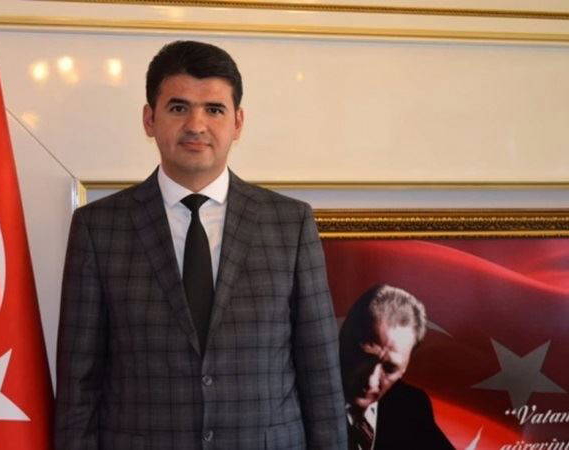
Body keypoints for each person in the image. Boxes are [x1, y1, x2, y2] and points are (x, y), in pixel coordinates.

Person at [54, 40, 346, 450]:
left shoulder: (290, 224)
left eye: (214, 109)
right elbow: (78, 387)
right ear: (149, 119)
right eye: (178, 108)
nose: (196, 124)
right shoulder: (98, 228)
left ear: (238, 122)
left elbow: (321, 375)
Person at [339, 284, 454, 450]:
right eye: (366, 357)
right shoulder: (304, 402)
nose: (371, 381)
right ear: (344, 338)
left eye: (390, 368)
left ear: (405, 367)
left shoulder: (411, 405)